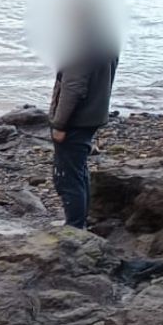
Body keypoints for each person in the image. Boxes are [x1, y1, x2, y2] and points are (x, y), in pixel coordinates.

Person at [49, 39, 119, 229]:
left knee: (67, 177)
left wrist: (60, 124)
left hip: (75, 121)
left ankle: (74, 227)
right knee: (78, 172)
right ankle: (80, 222)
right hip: (92, 118)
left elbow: (73, 87)